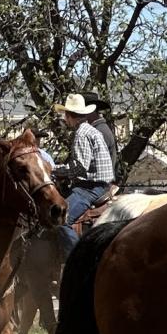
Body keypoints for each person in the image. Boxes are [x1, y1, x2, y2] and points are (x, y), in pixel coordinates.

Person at [53, 93, 115, 257]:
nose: (64, 119)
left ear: (68, 115)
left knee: (61, 220)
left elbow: (81, 166)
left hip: (91, 187)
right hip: (101, 183)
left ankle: (77, 259)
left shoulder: (81, 134)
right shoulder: (90, 129)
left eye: (65, 115)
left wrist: (55, 170)